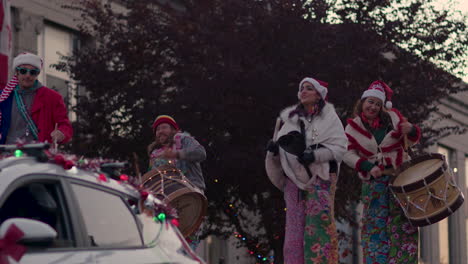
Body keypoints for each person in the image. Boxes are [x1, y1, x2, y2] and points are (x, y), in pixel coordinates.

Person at [265, 77, 347, 264]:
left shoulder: (329, 118)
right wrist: (273, 152)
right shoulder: (290, 120)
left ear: (319, 95)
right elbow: (282, 150)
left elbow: (340, 148)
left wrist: (315, 155)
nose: (303, 91)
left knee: (319, 230)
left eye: (309, 88)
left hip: (321, 178)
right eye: (302, 88)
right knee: (293, 234)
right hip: (294, 181)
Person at [343, 81, 421, 264]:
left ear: (383, 107)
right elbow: (347, 154)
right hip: (373, 182)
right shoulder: (352, 128)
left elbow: (412, 139)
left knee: (403, 224)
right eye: (370, 102)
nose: (373, 107)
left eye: (378, 104)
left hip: (400, 178)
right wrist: (368, 167)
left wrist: (411, 129)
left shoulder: (393, 119)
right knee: (374, 226)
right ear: (362, 102)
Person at [147, 114, 206, 247]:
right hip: (167, 201)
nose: (160, 131)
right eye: (157, 129)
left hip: (191, 194)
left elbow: (201, 153)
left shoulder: (184, 140)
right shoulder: (155, 154)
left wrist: (177, 154)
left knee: (188, 238)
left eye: (164, 127)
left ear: (173, 129)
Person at [0, 52, 73, 145]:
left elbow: (65, 125)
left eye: (32, 72)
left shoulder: (53, 98)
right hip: (7, 152)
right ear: (17, 72)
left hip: (38, 154)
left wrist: (61, 133)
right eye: (23, 71)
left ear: (37, 74)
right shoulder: (3, 97)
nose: (28, 75)